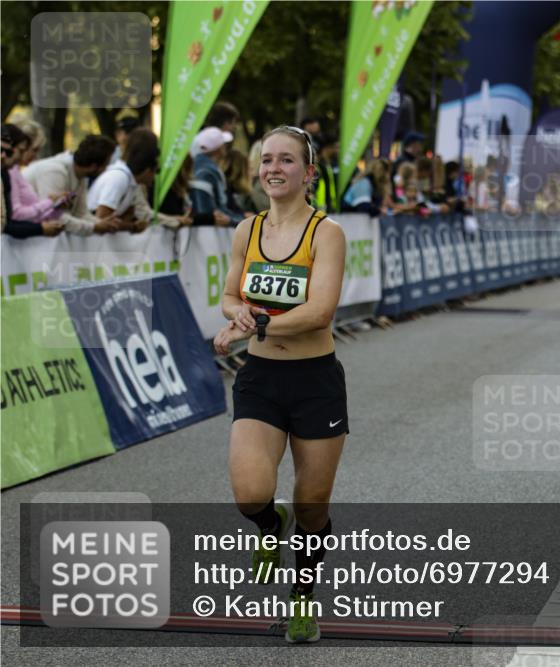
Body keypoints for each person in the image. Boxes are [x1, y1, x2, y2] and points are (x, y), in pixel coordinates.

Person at [212, 125, 348, 644]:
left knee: (313, 506)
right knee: (251, 494)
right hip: (262, 377)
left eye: (286, 160)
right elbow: (229, 294)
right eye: (267, 159)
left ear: (308, 173)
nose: (273, 168)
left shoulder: (326, 232)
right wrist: (237, 314)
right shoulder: (246, 230)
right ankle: (271, 526)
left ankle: (302, 601)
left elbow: (320, 311)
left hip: (316, 381)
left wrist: (256, 323)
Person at [23, 134, 118, 235]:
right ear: (94, 166)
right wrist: (94, 227)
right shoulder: (54, 170)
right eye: (105, 165)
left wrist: (104, 224)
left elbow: (80, 213)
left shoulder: (82, 174)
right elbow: (54, 216)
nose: (106, 170)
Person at [87, 129, 158, 233]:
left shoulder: (130, 181)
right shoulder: (120, 178)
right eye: (157, 171)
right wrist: (132, 227)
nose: (155, 177)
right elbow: (101, 220)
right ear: (148, 170)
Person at [2, 124, 64, 238]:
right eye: (33, 150)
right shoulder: (9, 172)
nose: (36, 156)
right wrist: (49, 202)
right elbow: (14, 216)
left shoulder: (11, 171)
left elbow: (34, 217)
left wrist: (57, 209)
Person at [190, 127, 243, 225]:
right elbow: (211, 209)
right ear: (219, 148)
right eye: (223, 144)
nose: (225, 146)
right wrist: (238, 220)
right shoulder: (208, 171)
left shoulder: (201, 167)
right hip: (212, 233)